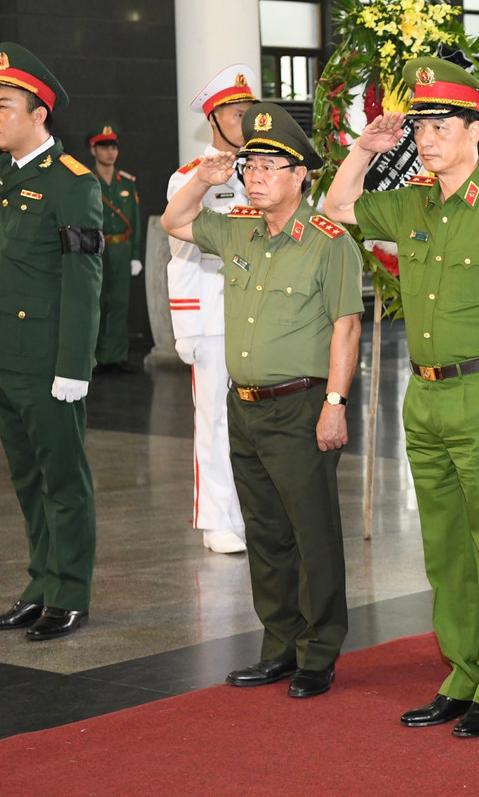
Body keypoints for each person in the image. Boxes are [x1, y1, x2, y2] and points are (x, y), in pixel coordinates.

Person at [323, 58, 479, 738]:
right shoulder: (415, 200)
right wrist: (365, 149)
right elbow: (336, 208)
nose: (427, 137)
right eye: (420, 125)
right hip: (423, 398)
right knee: (445, 546)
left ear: (476, 130)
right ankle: (461, 671)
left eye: (441, 124)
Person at [162, 102, 362, 698]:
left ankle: (319, 652)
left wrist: (335, 403)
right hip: (243, 405)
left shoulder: (329, 242)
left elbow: (346, 329)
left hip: (302, 406)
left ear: (302, 176)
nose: (255, 175)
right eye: (251, 164)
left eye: (271, 165)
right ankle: (279, 645)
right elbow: (174, 223)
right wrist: (206, 176)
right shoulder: (238, 225)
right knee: (266, 533)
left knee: (312, 531)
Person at [0, 43, 102, 641]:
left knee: (62, 479)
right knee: (27, 479)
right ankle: (40, 586)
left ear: (40, 114)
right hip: (0, 356)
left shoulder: (70, 183)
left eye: (4, 105)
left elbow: (83, 280)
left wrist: (75, 365)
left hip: (45, 361)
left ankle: (70, 593)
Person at [167, 64, 258, 555]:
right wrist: (185, 326)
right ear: (215, 118)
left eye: (250, 112)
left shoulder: (265, 171)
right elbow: (187, 248)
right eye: (237, 113)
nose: (246, 121)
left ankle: (250, 512)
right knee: (216, 419)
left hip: (261, 315)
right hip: (214, 315)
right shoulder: (188, 179)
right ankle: (216, 518)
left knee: (257, 419)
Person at [88, 123, 142, 374]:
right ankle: (95, 358)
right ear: (93, 150)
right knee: (95, 304)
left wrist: (134, 255)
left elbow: (136, 220)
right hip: (95, 249)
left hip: (121, 247)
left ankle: (116, 356)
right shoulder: (86, 181)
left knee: (120, 303)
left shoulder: (127, 182)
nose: (110, 152)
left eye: (113, 147)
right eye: (104, 147)